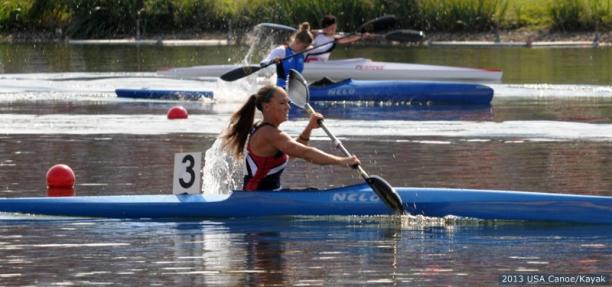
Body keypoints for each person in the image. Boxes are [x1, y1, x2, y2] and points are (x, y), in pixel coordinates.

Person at [221, 85, 360, 191]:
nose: (288, 107)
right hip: (258, 198)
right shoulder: (269, 134)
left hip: (265, 195)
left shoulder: (264, 129)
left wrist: (309, 128)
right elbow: (305, 153)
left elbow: (292, 154)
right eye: (282, 103)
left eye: (288, 102)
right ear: (267, 107)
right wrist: (342, 161)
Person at [261, 22, 313, 89]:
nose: (305, 49)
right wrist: (273, 61)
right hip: (279, 88)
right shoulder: (282, 50)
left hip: (293, 89)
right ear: (297, 41)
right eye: (304, 46)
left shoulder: (303, 53)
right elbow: (263, 63)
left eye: (307, 47)